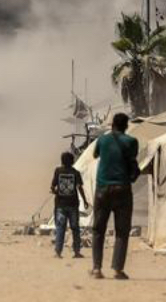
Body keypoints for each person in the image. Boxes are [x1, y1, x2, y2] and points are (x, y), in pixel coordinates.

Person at [89, 112, 138, 280]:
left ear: (112, 125)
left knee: (98, 230)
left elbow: (95, 154)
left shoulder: (102, 140)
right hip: (123, 189)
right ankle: (117, 269)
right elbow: (132, 160)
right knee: (122, 231)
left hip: (102, 188)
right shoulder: (131, 142)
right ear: (126, 126)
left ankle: (96, 269)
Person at [50, 151, 88, 258]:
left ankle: (58, 252)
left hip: (60, 205)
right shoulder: (76, 173)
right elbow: (80, 188)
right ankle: (76, 252)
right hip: (73, 205)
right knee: (75, 228)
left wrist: (55, 191)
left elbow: (52, 187)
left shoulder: (58, 171)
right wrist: (85, 201)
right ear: (72, 161)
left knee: (60, 228)